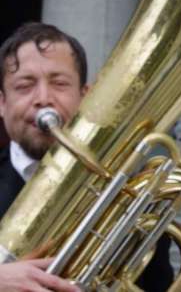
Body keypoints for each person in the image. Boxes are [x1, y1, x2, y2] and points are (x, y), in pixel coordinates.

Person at [0, 22, 172, 291]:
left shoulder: (130, 192)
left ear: (85, 97)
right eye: (24, 85)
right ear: (2, 102)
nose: (43, 98)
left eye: (59, 83)